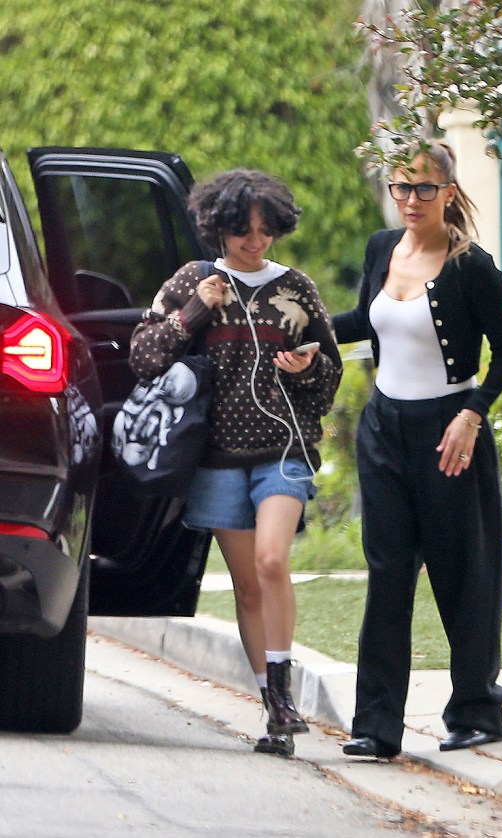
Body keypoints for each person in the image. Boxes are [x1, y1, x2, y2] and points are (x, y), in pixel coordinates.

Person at [129, 168, 342, 756]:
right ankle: (275, 710)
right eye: (243, 231)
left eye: (265, 230)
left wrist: (310, 369)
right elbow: (143, 355)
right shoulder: (191, 281)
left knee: (273, 561)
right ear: (218, 228)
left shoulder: (296, 288)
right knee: (247, 587)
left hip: (284, 451)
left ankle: (284, 695)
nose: (255, 242)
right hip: (218, 459)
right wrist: (196, 311)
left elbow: (331, 376)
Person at [333, 141, 502, 758]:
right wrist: (311, 336)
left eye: (423, 189)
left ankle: (476, 711)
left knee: (461, 573)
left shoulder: (474, 267)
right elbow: (365, 320)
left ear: (448, 191)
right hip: (384, 429)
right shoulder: (381, 249)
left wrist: (473, 413)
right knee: (387, 577)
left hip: (449, 431)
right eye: (401, 188)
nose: (410, 200)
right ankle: (376, 726)